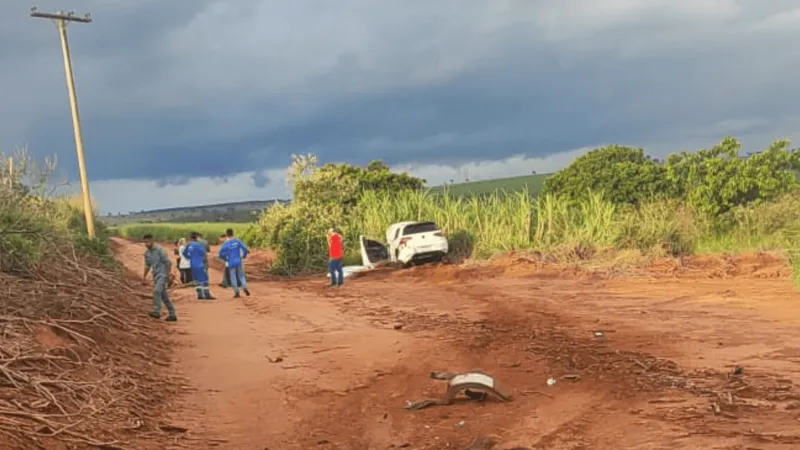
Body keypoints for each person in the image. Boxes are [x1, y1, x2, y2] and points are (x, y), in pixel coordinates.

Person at [142, 234, 177, 321]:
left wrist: (168, 275)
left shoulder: (160, 250)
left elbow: (168, 262)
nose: (146, 244)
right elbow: (147, 265)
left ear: (152, 241)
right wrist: (144, 277)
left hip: (163, 274)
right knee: (164, 296)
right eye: (145, 242)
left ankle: (156, 312)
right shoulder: (147, 253)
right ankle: (172, 315)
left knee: (156, 291)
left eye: (147, 242)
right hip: (156, 275)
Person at [218, 228, 250, 298]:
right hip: (239, 260)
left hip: (231, 261)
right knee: (241, 275)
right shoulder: (237, 241)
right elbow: (246, 249)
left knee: (233, 277)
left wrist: (225, 259)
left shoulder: (226, 243)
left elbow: (220, 254)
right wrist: (244, 255)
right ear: (233, 233)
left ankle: (236, 292)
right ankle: (244, 286)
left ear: (226, 234)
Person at [183, 232, 215, 300]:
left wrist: (190, 257)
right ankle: (207, 294)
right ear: (197, 237)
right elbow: (204, 253)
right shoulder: (200, 244)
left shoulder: (189, 244)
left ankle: (199, 294)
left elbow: (184, 253)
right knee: (205, 279)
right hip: (201, 264)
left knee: (196, 279)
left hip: (192, 264)